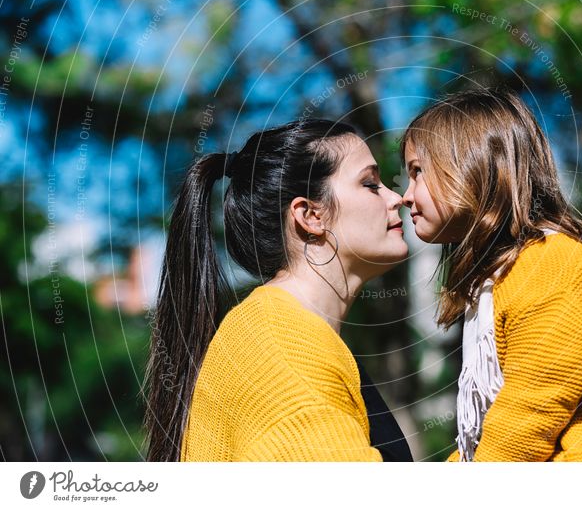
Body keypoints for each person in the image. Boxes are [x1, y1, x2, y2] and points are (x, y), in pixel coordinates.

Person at [399, 89, 582, 462]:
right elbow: (486, 434)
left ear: (472, 165)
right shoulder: (497, 281)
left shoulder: (552, 261)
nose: (406, 196)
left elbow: (530, 413)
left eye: (417, 173)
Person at [144, 118, 413, 462]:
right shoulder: (282, 349)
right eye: (370, 183)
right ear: (311, 216)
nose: (397, 198)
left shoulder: (289, 334)